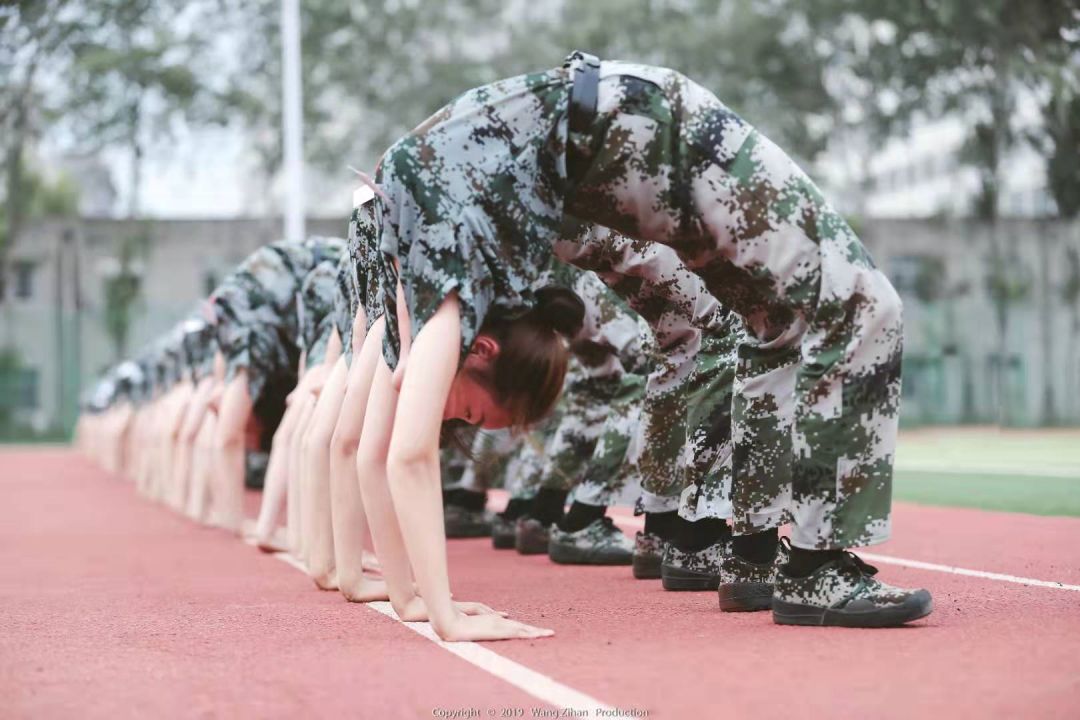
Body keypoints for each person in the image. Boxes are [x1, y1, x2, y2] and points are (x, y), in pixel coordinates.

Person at [372, 51, 930, 627]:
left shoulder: (438, 249)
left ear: (480, 351)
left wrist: (432, 609)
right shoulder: (428, 232)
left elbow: (402, 454)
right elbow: (384, 450)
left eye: (464, 409)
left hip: (648, 137)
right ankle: (789, 562)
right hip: (629, 144)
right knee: (819, 314)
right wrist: (422, 605)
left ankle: (772, 559)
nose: (443, 407)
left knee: (835, 311)